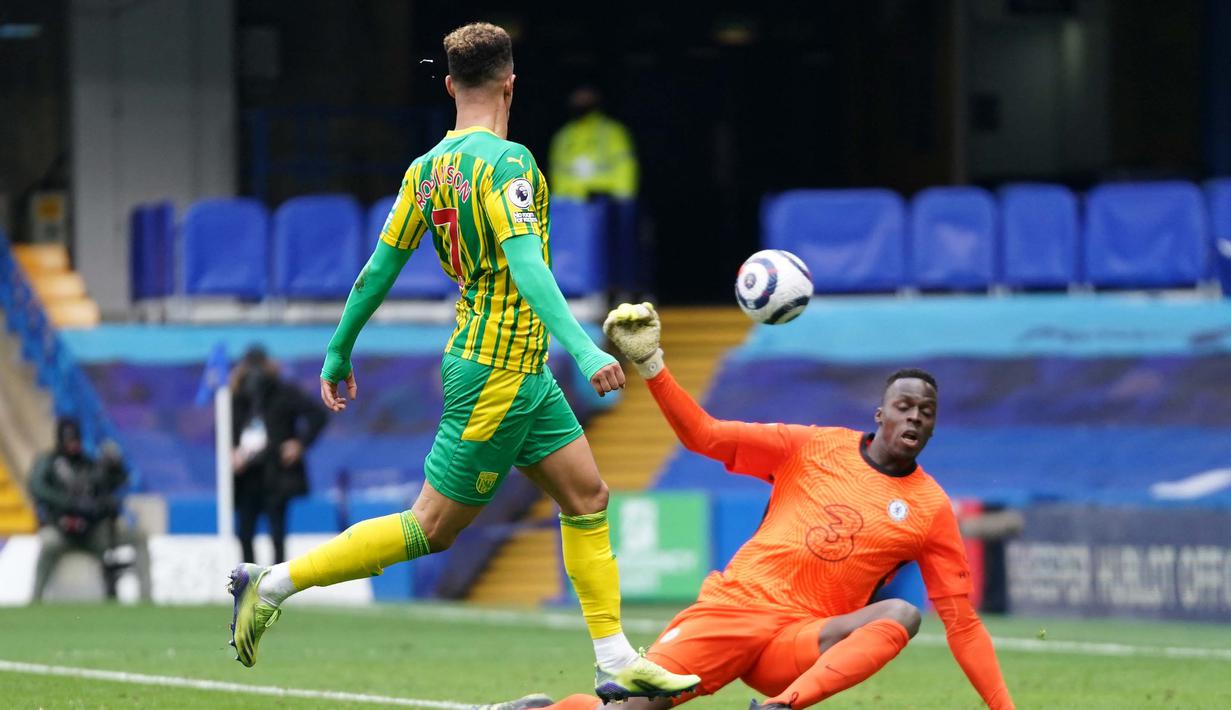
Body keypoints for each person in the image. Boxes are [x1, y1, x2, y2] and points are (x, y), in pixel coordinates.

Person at [226, 22, 700, 703]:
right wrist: (585, 346)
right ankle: (268, 584)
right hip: (495, 374)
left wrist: (338, 348)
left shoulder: (426, 171)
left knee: (586, 496)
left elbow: (376, 270)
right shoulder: (509, 165)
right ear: (511, 84)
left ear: (450, 85)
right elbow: (528, 266)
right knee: (431, 528)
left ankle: (613, 658)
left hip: (519, 371)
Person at [481, 304, 1015, 710]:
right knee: (630, 707)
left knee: (902, 613)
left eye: (927, 412)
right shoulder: (812, 446)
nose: (915, 418)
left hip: (799, 643)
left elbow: (963, 626)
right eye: (904, 407)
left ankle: (781, 708)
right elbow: (704, 436)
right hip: (734, 609)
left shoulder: (929, 508)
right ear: (881, 414)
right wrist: (653, 364)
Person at [29, 417, 151, 602]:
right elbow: (36, 486)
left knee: (138, 536)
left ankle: (146, 599)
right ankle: (35, 599)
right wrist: (67, 502)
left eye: (76, 440)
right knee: (48, 544)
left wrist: (116, 466)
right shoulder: (49, 463)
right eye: (69, 441)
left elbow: (113, 484)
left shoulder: (88, 464)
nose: (73, 445)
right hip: (63, 532)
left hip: (93, 533)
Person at [230, 345, 328, 565]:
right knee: (245, 533)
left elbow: (317, 416)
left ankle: (276, 584)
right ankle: (249, 583)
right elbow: (223, 429)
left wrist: (300, 444)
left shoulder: (284, 392)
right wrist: (231, 452)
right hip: (247, 476)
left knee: (277, 534)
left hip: (276, 473)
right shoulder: (236, 397)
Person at [548, 86, 644, 301]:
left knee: (620, 249)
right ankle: (585, 292)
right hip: (576, 209)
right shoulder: (564, 137)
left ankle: (623, 290)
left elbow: (625, 170)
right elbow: (558, 175)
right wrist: (579, 196)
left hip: (610, 206)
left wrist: (608, 194)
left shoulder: (612, 132)